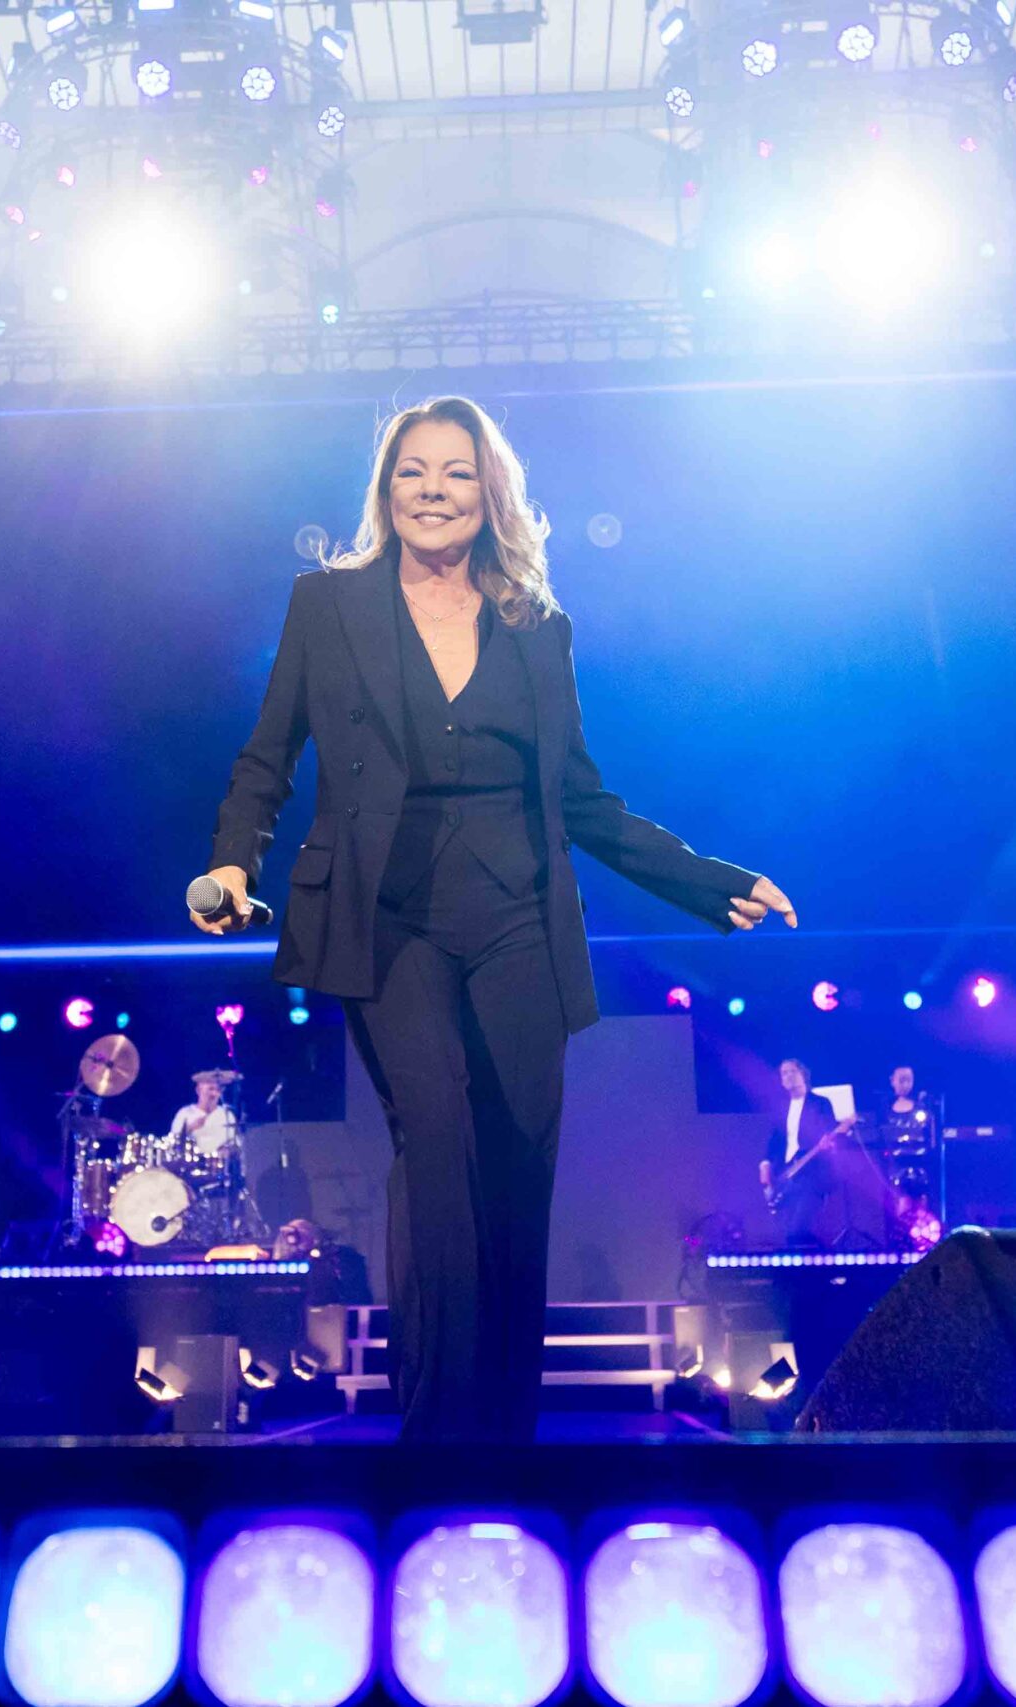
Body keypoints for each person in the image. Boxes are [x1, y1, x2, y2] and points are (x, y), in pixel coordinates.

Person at [193, 394, 796, 1441]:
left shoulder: (535, 627)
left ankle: (506, 1435)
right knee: (435, 1141)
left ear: (490, 494)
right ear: (386, 489)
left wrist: (705, 880)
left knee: (516, 1170)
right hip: (388, 921)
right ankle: (436, 1432)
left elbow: (581, 801)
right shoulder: (327, 605)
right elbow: (267, 756)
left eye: (456, 472)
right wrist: (231, 861)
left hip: (518, 919)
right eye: (412, 471)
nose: (432, 491)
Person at [761, 1058, 853, 1243]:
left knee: (798, 1229)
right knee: (789, 1233)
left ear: (803, 1074)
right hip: (786, 1174)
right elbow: (775, 1141)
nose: (788, 1076)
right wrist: (765, 1165)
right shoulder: (781, 1108)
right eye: (784, 1073)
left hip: (812, 1174)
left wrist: (828, 1142)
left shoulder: (820, 1103)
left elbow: (830, 1131)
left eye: (792, 1071)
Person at [164, 1070, 241, 1159]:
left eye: (218, 1090)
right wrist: (190, 1127)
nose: (214, 1094)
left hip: (219, 1163)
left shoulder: (227, 1115)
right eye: (210, 1089)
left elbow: (235, 1144)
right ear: (198, 1090)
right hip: (191, 1162)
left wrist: (229, 1150)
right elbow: (173, 1142)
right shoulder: (185, 1113)